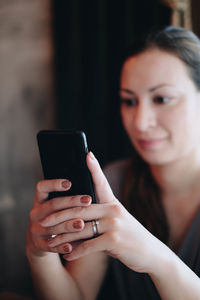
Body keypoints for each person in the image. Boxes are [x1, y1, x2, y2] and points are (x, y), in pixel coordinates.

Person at [26, 26, 200, 300]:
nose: (140, 122)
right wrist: (40, 255)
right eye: (129, 101)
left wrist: (157, 259)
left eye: (162, 98)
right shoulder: (114, 183)